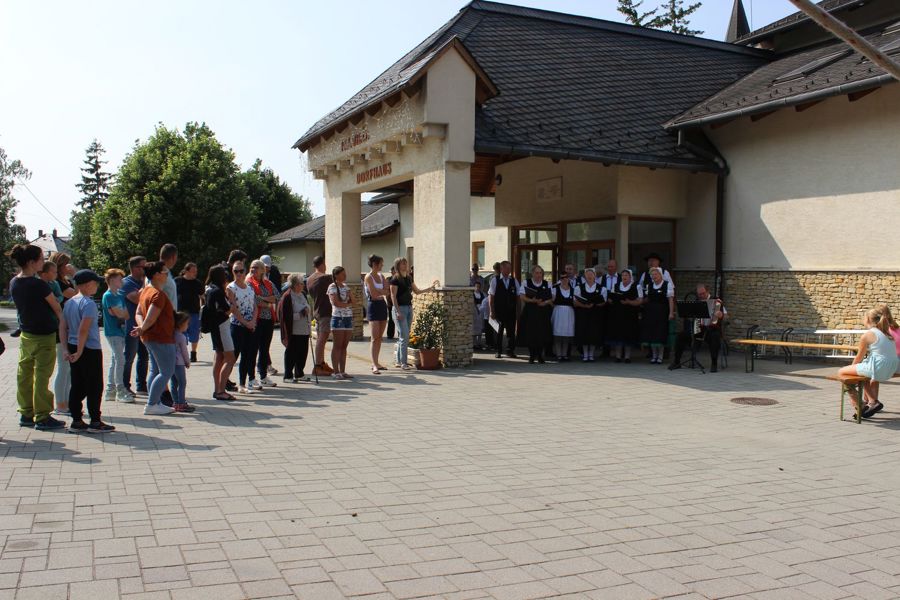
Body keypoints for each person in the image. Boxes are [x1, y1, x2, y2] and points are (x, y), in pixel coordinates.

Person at [10, 244, 65, 431]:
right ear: (32, 262)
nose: (44, 262)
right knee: (41, 376)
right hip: (44, 335)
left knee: (24, 375)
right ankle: (42, 416)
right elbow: (56, 307)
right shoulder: (38, 284)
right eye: (41, 259)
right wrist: (63, 327)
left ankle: (26, 413)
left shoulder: (14, 282)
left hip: (26, 334)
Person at [59, 269, 115, 432]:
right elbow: (83, 329)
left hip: (72, 346)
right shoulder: (88, 303)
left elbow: (62, 327)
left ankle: (76, 420)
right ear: (87, 284)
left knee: (77, 383)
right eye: (95, 283)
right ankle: (95, 421)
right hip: (88, 348)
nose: (97, 285)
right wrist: (80, 351)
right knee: (95, 386)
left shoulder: (69, 302)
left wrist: (65, 349)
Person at [838, 305, 900, 419]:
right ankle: (872, 401)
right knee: (864, 375)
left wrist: (852, 371)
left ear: (867, 319)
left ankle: (860, 405)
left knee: (841, 373)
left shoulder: (868, 335)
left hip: (878, 367)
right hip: (891, 368)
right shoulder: (887, 333)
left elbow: (859, 358)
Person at [132, 261, 177, 415]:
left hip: (149, 337)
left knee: (155, 370)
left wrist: (141, 328)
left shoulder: (145, 290)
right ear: (157, 275)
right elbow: (151, 317)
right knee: (167, 371)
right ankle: (152, 404)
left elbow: (138, 313)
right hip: (161, 338)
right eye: (165, 272)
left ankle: (155, 402)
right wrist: (143, 327)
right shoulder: (158, 295)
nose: (167, 275)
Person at [389, 257, 438, 370]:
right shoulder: (395, 279)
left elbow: (417, 291)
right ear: (398, 265)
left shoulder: (409, 278)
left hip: (409, 308)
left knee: (403, 336)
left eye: (406, 263)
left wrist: (429, 288)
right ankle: (403, 363)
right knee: (405, 336)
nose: (405, 265)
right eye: (403, 263)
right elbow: (393, 296)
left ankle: (398, 361)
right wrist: (398, 311)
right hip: (400, 309)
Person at [670, 283, 726, 372]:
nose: (701, 296)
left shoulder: (717, 301)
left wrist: (721, 315)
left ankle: (714, 364)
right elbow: (691, 317)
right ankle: (676, 362)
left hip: (712, 329)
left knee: (715, 336)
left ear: (707, 291)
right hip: (698, 328)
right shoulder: (696, 302)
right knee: (681, 336)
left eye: (703, 293)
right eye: (699, 294)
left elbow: (726, 316)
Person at [226, 260, 260, 393]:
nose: (239, 274)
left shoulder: (249, 287)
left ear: (245, 272)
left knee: (247, 355)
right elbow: (234, 309)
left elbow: (255, 306)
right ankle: (224, 381)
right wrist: (246, 323)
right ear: (232, 272)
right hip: (237, 326)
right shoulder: (231, 287)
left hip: (250, 326)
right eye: (236, 271)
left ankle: (242, 384)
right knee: (233, 356)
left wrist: (253, 321)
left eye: (241, 271)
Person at [102, 268, 134, 403]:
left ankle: (110, 391)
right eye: (119, 279)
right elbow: (119, 314)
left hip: (120, 331)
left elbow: (126, 315)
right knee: (120, 360)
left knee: (116, 360)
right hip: (112, 332)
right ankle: (120, 390)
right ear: (111, 280)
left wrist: (120, 313)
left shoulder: (120, 295)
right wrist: (120, 313)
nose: (122, 281)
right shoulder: (108, 295)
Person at [205, 265, 236, 401]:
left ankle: (217, 389)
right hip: (221, 327)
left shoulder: (209, 288)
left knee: (219, 357)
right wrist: (232, 302)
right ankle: (221, 391)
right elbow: (227, 309)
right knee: (230, 359)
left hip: (214, 327)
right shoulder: (218, 291)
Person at [49, 252, 76, 414]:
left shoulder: (65, 281)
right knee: (63, 367)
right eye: (66, 264)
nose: (69, 267)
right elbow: (76, 294)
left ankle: (66, 402)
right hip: (61, 328)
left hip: (69, 327)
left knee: (68, 369)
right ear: (59, 266)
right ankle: (60, 404)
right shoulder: (58, 283)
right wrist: (75, 275)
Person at [120, 256, 149, 396]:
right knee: (129, 357)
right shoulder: (126, 282)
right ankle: (124, 386)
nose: (145, 269)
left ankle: (141, 386)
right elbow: (137, 299)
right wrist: (145, 283)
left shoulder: (144, 282)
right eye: (143, 267)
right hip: (130, 326)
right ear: (134, 268)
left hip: (143, 325)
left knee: (144, 356)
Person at [248, 259, 278, 387]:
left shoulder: (268, 283)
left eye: (256, 267)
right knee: (253, 349)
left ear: (262, 270)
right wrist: (268, 302)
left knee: (265, 349)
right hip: (256, 320)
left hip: (268, 320)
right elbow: (254, 300)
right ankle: (251, 378)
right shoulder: (249, 283)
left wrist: (264, 298)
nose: (253, 269)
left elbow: (277, 297)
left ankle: (263, 376)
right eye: (252, 267)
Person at [278, 274, 311, 383]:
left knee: (302, 353)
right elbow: (285, 316)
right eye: (301, 283)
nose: (303, 285)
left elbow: (308, 308)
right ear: (295, 285)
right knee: (291, 353)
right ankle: (288, 376)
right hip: (293, 330)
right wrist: (301, 314)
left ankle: (299, 373)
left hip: (304, 329)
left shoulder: (302, 294)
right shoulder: (287, 296)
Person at [606, 269, 643, 363]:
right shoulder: (616, 285)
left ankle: (627, 357)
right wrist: (611, 299)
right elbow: (611, 298)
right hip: (618, 314)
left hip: (630, 315)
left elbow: (640, 301)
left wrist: (629, 302)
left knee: (628, 335)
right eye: (623, 275)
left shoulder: (637, 286)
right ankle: (618, 356)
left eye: (626, 275)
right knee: (618, 335)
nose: (624, 277)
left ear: (630, 277)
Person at [518, 265, 553, 364]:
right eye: (537, 273)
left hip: (543, 312)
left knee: (542, 333)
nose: (539, 275)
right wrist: (532, 300)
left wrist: (545, 302)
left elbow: (552, 297)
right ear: (532, 273)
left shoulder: (547, 284)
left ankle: (540, 355)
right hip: (530, 312)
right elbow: (522, 296)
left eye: (540, 273)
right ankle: (532, 355)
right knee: (531, 333)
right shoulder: (526, 282)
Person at [306, 256, 335, 376]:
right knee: (322, 339)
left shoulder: (309, 279)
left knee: (320, 339)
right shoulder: (325, 278)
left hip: (317, 311)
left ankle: (321, 363)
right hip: (325, 311)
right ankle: (318, 366)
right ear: (323, 264)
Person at [641, 267, 675, 364]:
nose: (654, 276)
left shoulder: (667, 285)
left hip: (662, 313)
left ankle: (660, 356)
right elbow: (647, 299)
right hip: (651, 313)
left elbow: (670, 300)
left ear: (660, 275)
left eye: (656, 274)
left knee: (660, 333)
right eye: (652, 275)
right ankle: (654, 356)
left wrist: (671, 312)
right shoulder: (649, 286)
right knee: (652, 333)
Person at [364, 255, 390, 374]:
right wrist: (381, 291)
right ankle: (374, 364)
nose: (382, 265)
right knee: (374, 337)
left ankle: (377, 362)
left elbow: (387, 291)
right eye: (381, 263)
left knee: (380, 337)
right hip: (373, 306)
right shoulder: (368, 277)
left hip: (382, 306)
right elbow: (373, 295)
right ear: (375, 264)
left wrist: (379, 290)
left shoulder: (381, 276)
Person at [488, 260, 519, 359]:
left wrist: (518, 310)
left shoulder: (514, 280)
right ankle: (498, 351)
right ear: (501, 269)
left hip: (511, 310)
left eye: (510, 268)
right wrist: (491, 311)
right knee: (499, 331)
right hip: (499, 310)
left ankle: (510, 351)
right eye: (507, 268)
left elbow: (518, 296)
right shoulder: (495, 280)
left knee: (511, 332)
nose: (509, 270)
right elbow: (491, 296)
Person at [327, 266, 354, 380]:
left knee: (344, 346)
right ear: (336, 275)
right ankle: (336, 371)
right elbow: (336, 303)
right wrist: (347, 304)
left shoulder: (346, 287)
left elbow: (354, 301)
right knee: (337, 346)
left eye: (345, 273)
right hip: (338, 318)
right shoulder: (332, 287)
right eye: (343, 274)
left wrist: (347, 302)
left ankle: (342, 371)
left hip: (348, 318)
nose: (345, 275)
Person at [574, 267, 606, 362]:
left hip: (595, 314)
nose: (589, 276)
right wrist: (584, 305)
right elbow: (575, 302)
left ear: (595, 276)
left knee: (593, 334)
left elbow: (603, 302)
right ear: (585, 276)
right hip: (583, 314)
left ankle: (591, 355)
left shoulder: (601, 288)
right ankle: (585, 354)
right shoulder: (578, 287)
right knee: (584, 333)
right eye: (587, 275)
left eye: (591, 274)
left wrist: (595, 304)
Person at [175, 262, 204, 363]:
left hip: (194, 311)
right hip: (180, 312)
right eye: (193, 271)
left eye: (196, 271)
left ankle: (193, 353)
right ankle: (182, 353)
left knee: (194, 333)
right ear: (186, 271)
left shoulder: (197, 283)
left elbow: (202, 296)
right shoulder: (177, 281)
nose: (195, 273)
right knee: (181, 334)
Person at [172, 311, 195, 412]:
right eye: (187, 324)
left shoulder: (171, 335)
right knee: (182, 383)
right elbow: (184, 352)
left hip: (171, 362)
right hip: (179, 363)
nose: (187, 326)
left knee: (173, 383)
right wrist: (187, 361)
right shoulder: (181, 337)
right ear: (181, 324)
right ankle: (181, 403)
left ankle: (175, 402)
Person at [551, 274, 575, 361]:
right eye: (562, 278)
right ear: (560, 279)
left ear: (568, 279)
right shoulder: (555, 289)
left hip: (569, 313)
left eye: (566, 278)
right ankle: (559, 355)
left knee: (566, 335)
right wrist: (554, 306)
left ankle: (564, 355)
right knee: (558, 334)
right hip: (558, 312)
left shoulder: (573, 289)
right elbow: (551, 300)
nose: (564, 279)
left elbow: (575, 302)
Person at [158, 244, 179, 310]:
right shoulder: (159, 273)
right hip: (163, 315)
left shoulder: (166, 272)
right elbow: (154, 297)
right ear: (173, 257)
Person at [473, 280, 487, 350]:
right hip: (475, 312)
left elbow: (485, 302)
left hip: (481, 312)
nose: (477, 288)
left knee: (480, 327)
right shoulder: (472, 294)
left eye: (479, 287)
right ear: (474, 287)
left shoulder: (483, 294)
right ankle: (474, 343)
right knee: (474, 328)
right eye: (476, 287)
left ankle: (479, 342)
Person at [385, 265, 396, 340]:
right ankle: (390, 334)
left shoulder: (399, 279)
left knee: (398, 319)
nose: (392, 272)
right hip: (390, 302)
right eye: (392, 271)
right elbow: (387, 291)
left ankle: (400, 334)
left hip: (398, 302)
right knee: (391, 319)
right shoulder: (388, 279)